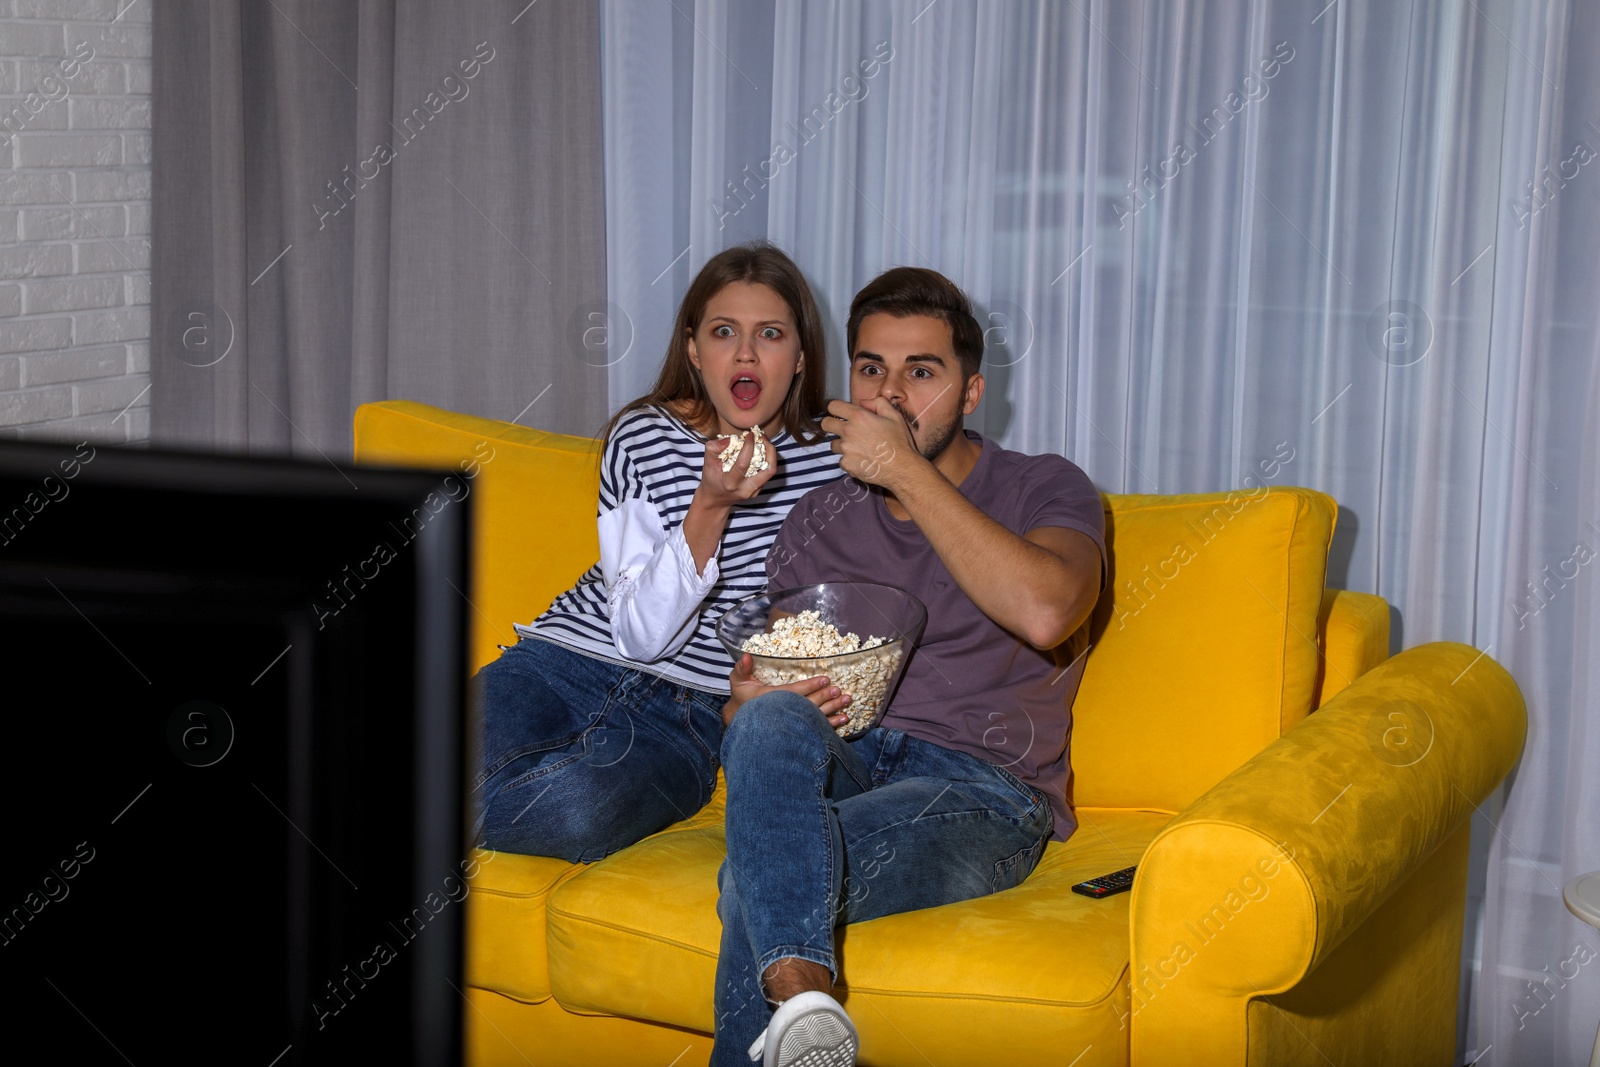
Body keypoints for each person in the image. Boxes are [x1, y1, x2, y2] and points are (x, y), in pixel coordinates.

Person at [709, 267, 1108, 1067]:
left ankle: (793, 1003)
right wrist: (749, 697)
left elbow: (1048, 609)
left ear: (970, 394)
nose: (888, 395)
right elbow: (750, 704)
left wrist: (904, 471)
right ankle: (807, 1015)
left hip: (983, 790)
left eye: (920, 371)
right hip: (850, 762)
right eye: (870, 369)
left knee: (751, 880)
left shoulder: (1043, 485)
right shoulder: (818, 516)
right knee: (769, 721)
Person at [473, 242, 843, 864]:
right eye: (724, 332)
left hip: (692, 714)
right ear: (695, 350)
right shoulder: (643, 435)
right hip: (567, 660)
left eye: (771, 334)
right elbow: (638, 636)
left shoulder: (837, 459)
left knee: (573, 814)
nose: (746, 353)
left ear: (801, 356)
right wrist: (711, 503)